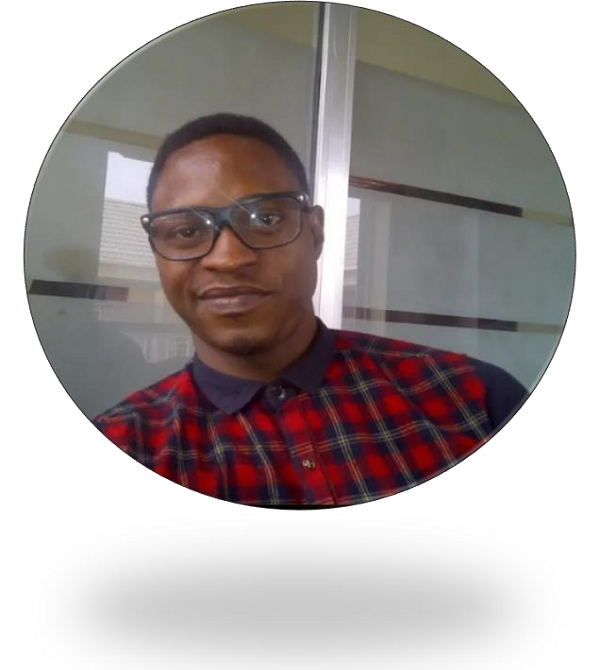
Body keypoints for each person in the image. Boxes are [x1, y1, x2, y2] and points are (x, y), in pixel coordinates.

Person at [93, 112, 527, 508]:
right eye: (186, 231)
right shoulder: (119, 451)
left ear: (315, 234)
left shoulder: (474, 400)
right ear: (157, 254)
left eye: (265, 220)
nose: (228, 259)